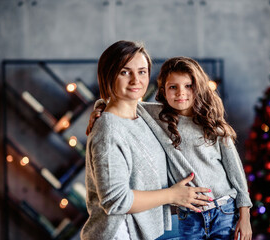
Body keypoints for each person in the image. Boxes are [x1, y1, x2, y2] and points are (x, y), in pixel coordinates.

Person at [88, 56, 253, 240]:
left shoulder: (214, 126)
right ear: (164, 91)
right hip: (189, 216)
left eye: (188, 86)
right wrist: (101, 107)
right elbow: (125, 103)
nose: (180, 93)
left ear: (198, 87)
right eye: (173, 87)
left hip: (224, 211)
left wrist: (244, 216)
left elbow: (236, 174)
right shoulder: (158, 117)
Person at [81, 41, 211, 240]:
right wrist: (173, 195)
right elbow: (116, 201)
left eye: (142, 72)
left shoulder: (143, 115)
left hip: (146, 232)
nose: (136, 80)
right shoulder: (109, 131)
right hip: (119, 233)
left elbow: (188, 106)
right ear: (108, 76)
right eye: (125, 72)